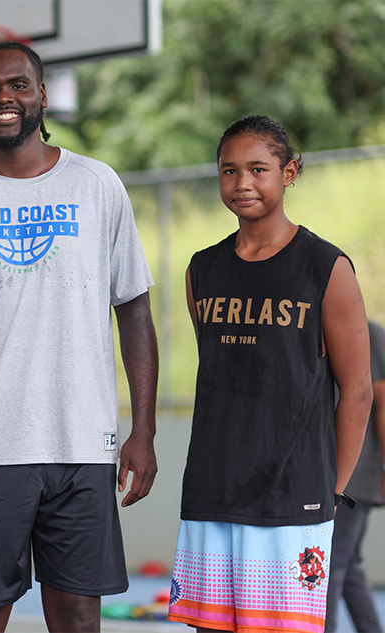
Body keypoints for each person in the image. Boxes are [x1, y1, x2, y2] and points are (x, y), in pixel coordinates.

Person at [0, 41, 159, 633]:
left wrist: (141, 431)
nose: (4, 98)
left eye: (17, 84)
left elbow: (135, 312)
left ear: (41, 94)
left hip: (80, 440)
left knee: (77, 617)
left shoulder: (96, 185)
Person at [167, 115, 373, 633]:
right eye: (229, 170)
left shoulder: (326, 267)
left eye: (258, 169)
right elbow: (224, 376)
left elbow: (358, 391)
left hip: (292, 497)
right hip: (212, 491)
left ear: (290, 172)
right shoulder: (201, 270)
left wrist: (334, 491)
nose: (242, 183)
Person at [325, 320, 385, 632]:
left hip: (354, 477)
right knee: (348, 567)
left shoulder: (367, 332)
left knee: (330, 563)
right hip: (341, 470)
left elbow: (381, 398)